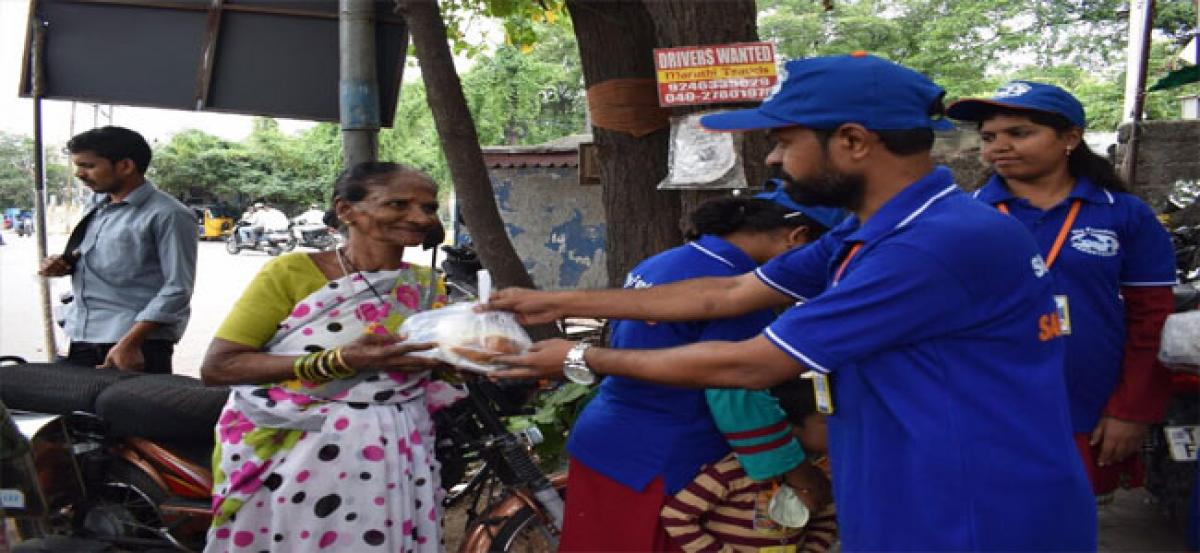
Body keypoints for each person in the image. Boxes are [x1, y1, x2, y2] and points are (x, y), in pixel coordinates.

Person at [488, 54, 1096, 550]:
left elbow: (751, 364)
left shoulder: (932, 245)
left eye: (783, 141)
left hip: (968, 506)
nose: (774, 159)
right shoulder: (874, 231)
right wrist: (555, 299)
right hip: (915, 485)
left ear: (854, 141)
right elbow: (727, 292)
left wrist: (579, 360)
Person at [200, 161, 462, 552]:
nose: (418, 217)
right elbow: (219, 366)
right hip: (296, 446)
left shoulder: (427, 285)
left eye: (427, 208)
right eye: (397, 204)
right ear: (346, 210)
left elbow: (433, 367)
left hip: (397, 446)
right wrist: (339, 361)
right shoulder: (291, 272)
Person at [551, 194, 836, 552]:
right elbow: (736, 393)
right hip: (665, 461)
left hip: (606, 442)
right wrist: (799, 473)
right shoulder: (737, 287)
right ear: (797, 239)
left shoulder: (664, 262)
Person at [946, 81, 1177, 502]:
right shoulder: (962, 216)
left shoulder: (1125, 215)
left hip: (1085, 405)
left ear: (1070, 138)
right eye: (989, 137)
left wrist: (1132, 409)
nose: (999, 146)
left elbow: (1152, 321)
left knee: (1065, 525)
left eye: (1019, 133)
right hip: (984, 407)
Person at [39, 126, 197, 374]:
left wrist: (130, 343)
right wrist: (63, 263)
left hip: (135, 343)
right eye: (78, 166)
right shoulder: (97, 205)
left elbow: (178, 288)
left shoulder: (169, 215)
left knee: (129, 412)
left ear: (125, 166)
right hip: (82, 334)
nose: (80, 174)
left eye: (89, 166)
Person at [662, 380, 838, 553]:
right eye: (828, 423)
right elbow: (677, 517)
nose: (843, 430)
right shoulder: (731, 471)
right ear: (786, 425)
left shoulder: (821, 474)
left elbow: (826, 520)